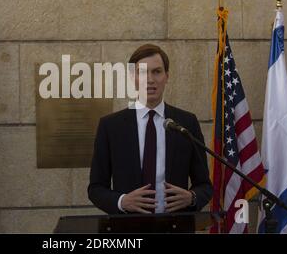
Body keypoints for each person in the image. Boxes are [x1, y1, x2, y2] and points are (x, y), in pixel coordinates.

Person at [88, 44, 212, 214]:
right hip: (129, 232)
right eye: (143, 72)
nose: (150, 79)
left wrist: (192, 198)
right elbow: (96, 188)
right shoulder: (110, 126)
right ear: (133, 77)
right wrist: (122, 201)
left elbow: (204, 185)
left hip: (175, 227)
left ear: (167, 76)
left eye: (157, 71)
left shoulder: (186, 122)